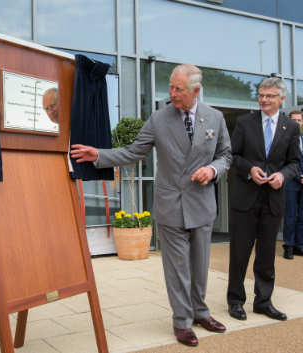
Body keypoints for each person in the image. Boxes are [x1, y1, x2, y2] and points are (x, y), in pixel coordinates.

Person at [71, 64, 232, 347]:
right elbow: (134, 151)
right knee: (178, 267)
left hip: (203, 204)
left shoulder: (216, 118)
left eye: (178, 89)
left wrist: (213, 170)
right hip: (171, 205)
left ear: (196, 90)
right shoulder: (159, 119)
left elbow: (225, 155)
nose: (172, 93)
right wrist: (99, 155)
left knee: (200, 266)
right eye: (170, 87)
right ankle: (182, 321)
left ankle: (200, 312)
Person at [227, 78, 300, 322]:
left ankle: (263, 301)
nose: (263, 99)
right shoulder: (244, 122)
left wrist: (283, 175)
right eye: (260, 94)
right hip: (245, 197)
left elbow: (295, 163)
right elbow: (232, 156)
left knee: (267, 254)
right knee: (240, 253)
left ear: (281, 99)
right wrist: (250, 170)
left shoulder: (291, 127)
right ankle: (236, 300)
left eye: (269, 95)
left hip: (274, 199)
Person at [283, 110, 303, 259]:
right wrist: (298, 176)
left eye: (299, 120)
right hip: (291, 182)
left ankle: (299, 246)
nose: (297, 122)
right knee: (290, 215)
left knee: (302, 215)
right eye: (294, 120)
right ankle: (288, 247)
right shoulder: (284, 140)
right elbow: (284, 163)